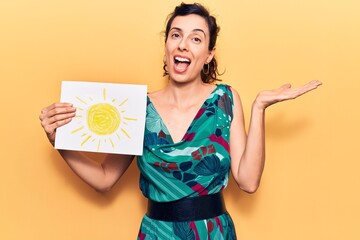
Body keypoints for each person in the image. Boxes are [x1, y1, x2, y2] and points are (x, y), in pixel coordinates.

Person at [39, 3, 321, 239]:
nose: (183, 45)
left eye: (196, 38)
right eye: (176, 35)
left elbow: (247, 182)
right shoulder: (137, 107)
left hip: (213, 232)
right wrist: (59, 142)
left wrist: (259, 106)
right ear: (166, 46)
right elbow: (104, 179)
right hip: (157, 232)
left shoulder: (225, 100)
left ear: (209, 54)